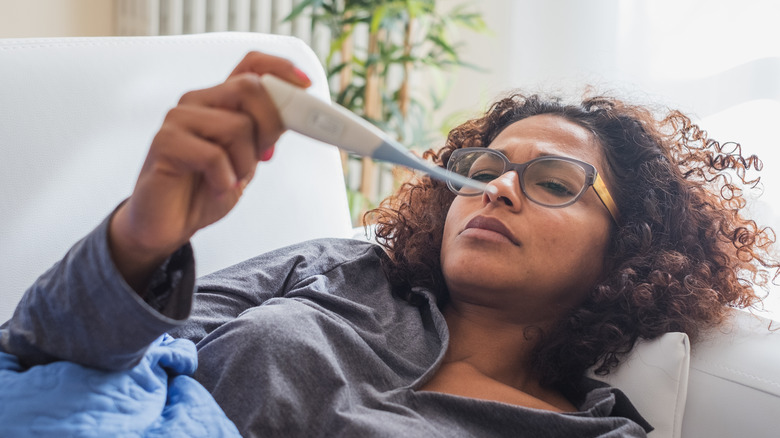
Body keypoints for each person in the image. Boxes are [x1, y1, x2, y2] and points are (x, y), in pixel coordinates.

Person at [1, 50, 778, 437]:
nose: (496, 189)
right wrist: (142, 235)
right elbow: (38, 352)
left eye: (550, 182)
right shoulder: (338, 269)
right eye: (482, 169)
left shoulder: (599, 432)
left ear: (627, 248)